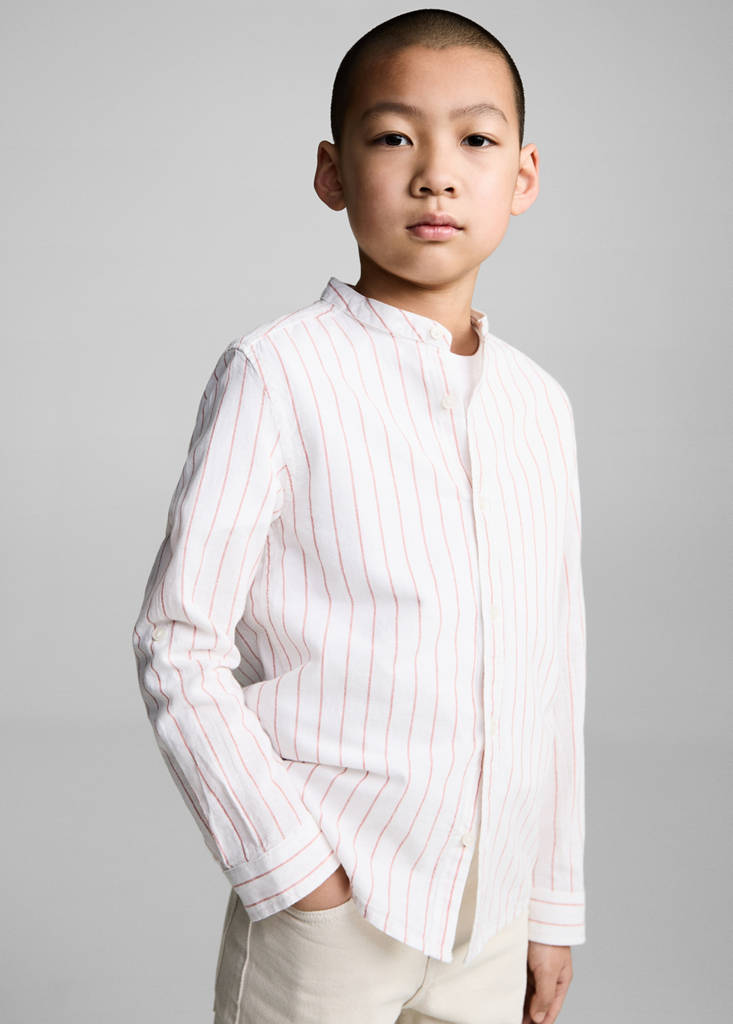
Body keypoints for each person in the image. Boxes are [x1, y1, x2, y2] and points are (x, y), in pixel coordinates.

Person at [131, 9, 587, 1024]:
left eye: (475, 139)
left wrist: (550, 905)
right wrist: (293, 871)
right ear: (333, 173)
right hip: (333, 898)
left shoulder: (538, 405)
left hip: (490, 915)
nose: (436, 175)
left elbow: (552, 669)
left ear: (522, 176)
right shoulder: (278, 373)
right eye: (392, 137)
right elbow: (177, 637)